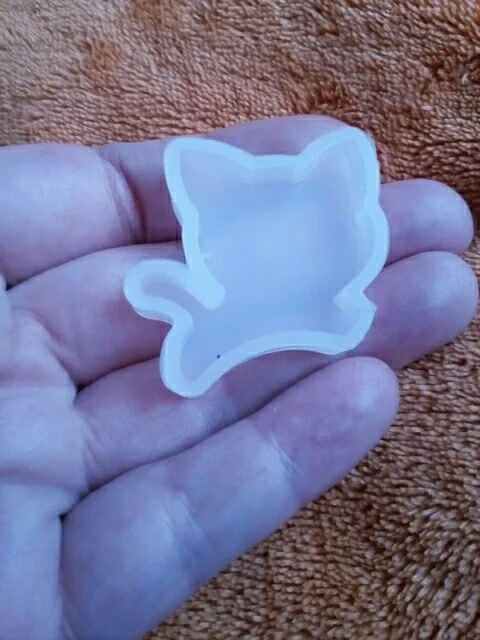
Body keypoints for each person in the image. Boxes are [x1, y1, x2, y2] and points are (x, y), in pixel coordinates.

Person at [0, 116, 477, 640]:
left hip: (261, 320)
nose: (283, 254)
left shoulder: (328, 269)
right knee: (202, 348)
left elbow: (329, 315)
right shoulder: (234, 266)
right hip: (223, 323)